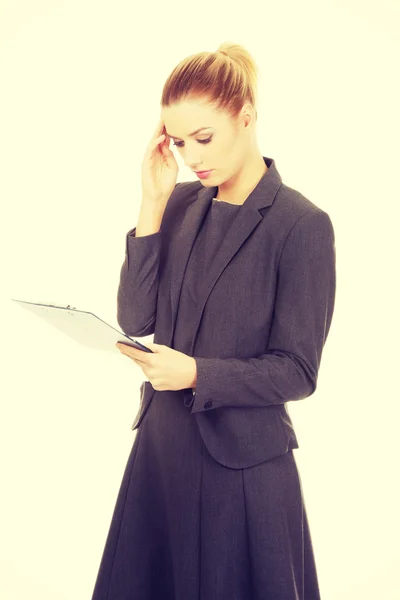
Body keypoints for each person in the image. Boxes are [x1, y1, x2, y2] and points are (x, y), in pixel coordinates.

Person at [91, 42, 336, 600]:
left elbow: (298, 370)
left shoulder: (302, 225)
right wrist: (150, 205)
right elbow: (137, 317)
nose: (192, 156)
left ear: (246, 117)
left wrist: (198, 373)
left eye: (204, 138)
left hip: (244, 469)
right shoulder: (178, 203)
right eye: (178, 143)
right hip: (162, 451)